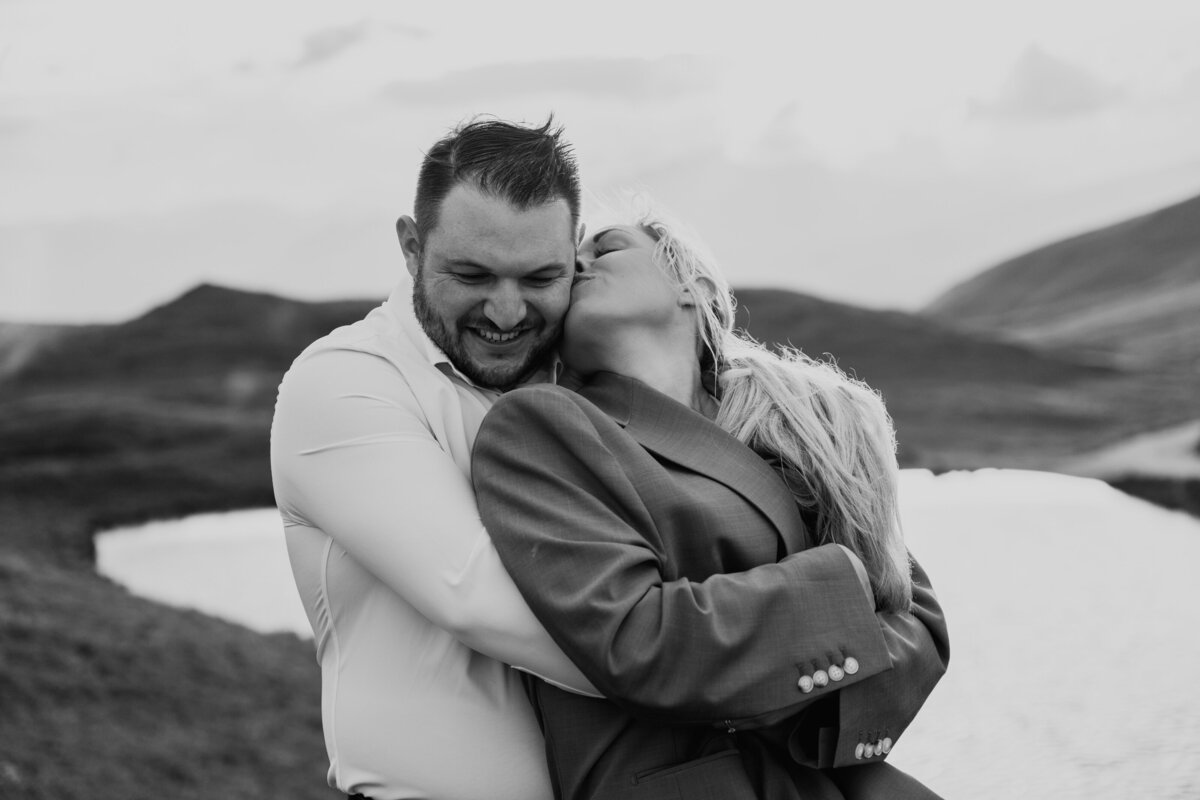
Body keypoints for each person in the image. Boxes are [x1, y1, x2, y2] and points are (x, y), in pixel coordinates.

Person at [270, 117, 948, 800]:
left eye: (541, 277)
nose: (506, 312)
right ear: (412, 249)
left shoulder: (586, 385)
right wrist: (833, 622)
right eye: (471, 274)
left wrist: (837, 659)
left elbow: (894, 585)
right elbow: (507, 609)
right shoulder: (347, 382)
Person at [472, 211, 945, 799]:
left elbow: (914, 617)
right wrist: (836, 598)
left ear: (688, 285)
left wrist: (801, 700)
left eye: (607, 247)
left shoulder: (803, 427)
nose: (579, 264)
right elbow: (636, 641)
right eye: (571, 262)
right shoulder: (541, 424)